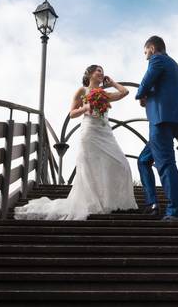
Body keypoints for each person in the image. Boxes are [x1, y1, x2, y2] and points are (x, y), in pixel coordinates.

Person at [14, 65, 138, 220]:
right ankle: (95, 204)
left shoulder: (104, 94)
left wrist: (112, 82)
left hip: (106, 132)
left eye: (103, 72)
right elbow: (72, 113)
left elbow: (124, 92)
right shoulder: (82, 91)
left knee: (122, 164)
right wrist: (85, 107)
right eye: (98, 70)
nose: (102, 73)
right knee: (90, 168)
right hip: (90, 132)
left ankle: (118, 203)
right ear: (90, 74)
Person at [135, 35, 178, 220]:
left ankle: (175, 212)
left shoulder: (157, 59)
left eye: (146, 52)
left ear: (152, 48)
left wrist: (141, 94)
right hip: (174, 120)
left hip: (161, 120)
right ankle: (152, 203)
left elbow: (145, 82)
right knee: (143, 160)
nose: (146, 56)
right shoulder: (176, 66)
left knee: (166, 164)